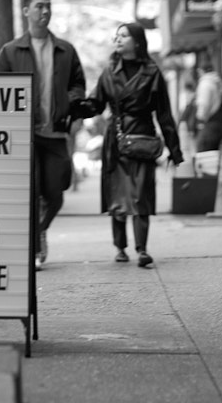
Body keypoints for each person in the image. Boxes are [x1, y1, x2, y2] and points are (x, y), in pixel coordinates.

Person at [0, 0, 86, 269]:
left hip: (56, 132)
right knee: (31, 193)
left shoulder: (65, 50)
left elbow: (78, 84)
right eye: (39, 6)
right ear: (26, 11)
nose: (45, 11)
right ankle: (33, 249)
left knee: (56, 192)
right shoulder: (11, 51)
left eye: (48, 6)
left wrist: (69, 103)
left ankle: (40, 229)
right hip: (25, 136)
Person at [79, 22, 184, 268]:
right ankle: (120, 247)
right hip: (115, 141)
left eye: (124, 35)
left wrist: (175, 151)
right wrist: (72, 107)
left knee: (141, 195)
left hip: (143, 140)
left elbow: (165, 114)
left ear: (137, 41)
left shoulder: (152, 72)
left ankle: (142, 249)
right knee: (117, 194)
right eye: (116, 35)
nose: (118, 39)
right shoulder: (109, 71)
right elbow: (95, 104)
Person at [194, 56, 222, 153]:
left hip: (210, 123)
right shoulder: (217, 82)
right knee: (213, 155)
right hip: (219, 124)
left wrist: (200, 120)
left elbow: (203, 104)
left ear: (200, 71)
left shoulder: (205, 84)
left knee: (204, 154)